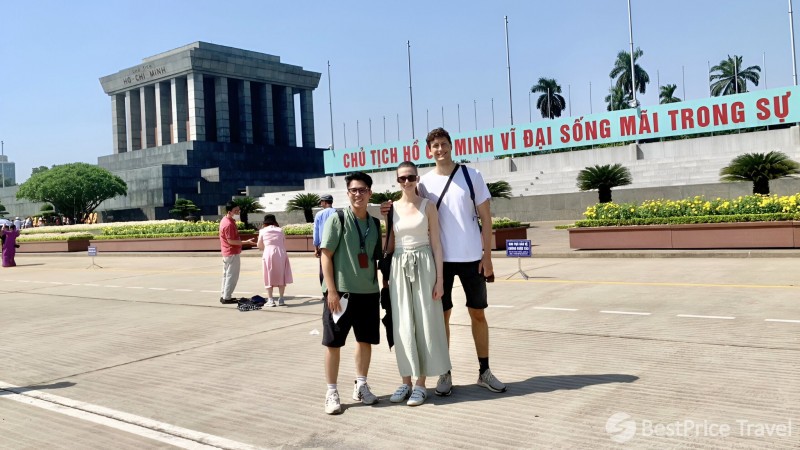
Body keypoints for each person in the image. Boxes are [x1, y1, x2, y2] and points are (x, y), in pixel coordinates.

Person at [384, 127, 506, 396]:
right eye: (435, 146)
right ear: (429, 151)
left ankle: (484, 371)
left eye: (443, 144)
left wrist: (487, 257)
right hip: (439, 262)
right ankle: (444, 373)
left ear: (452, 146)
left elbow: (486, 218)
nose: (440, 149)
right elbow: (412, 208)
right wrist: (388, 209)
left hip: (473, 257)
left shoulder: (471, 176)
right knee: (441, 318)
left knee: (478, 313)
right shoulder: (424, 183)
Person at [386, 161, 450, 407]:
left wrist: (440, 280)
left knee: (425, 321)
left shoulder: (428, 206)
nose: (406, 182)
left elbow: (436, 244)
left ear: (417, 178)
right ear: (397, 180)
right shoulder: (391, 208)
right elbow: (390, 245)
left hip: (424, 264)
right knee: (402, 323)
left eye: (410, 177)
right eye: (402, 178)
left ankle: (421, 383)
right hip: (399, 265)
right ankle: (405, 380)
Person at [320, 171, 382, 415]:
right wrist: (331, 291)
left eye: (363, 190)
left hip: (368, 292)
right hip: (342, 294)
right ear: (348, 193)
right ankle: (331, 391)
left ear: (370, 193)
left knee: (365, 341)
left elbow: (377, 258)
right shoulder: (338, 219)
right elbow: (326, 255)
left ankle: (361, 385)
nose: (358, 194)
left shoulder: (375, 224)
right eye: (354, 190)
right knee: (333, 343)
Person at [219, 201, 255, 304]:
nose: (238, 212)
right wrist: (246, 242)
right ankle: (227, 297)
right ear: (230, 211)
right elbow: (231, 241)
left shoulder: (225, 220)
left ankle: (224, 295)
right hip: (232, 252)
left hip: (227, 252)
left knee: (226, 275)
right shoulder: (228, 224)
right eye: (236, 210)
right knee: (232, 276)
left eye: (238, 210)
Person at [257, 214, 293, 307]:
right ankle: (281, 299)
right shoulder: (280, 230)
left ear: (265, 222)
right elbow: (283, 242)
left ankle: (271, 299)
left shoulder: (262, 231)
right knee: (281, 276)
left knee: (268, 275)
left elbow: (259, 246)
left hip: (268, 253)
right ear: (274, 221)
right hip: (281, 253)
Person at [313, 194, 336, 284]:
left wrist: (316, 247)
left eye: (321, 202)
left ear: (325, 202)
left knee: (324, 268)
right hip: (336, 246)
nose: (321, 203)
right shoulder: (337, 212)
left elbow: (316, 231)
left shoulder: (319, 214)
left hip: (323, 246)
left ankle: (325, 292)